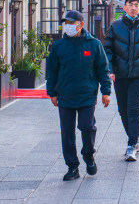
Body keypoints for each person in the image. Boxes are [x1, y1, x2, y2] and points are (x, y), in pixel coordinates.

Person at [46, 10, 112, 181]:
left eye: (71, 23)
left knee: (87, 127)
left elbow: (103, 70)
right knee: (67, 133)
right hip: (65, 96)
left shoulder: (94, 44)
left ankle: (88, 155)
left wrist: (106, 92)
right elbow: (51, 71)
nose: (67, 26)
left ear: (81, 25)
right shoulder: (59, 46)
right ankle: (72, 166)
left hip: (87, 95)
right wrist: (51, 92)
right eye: (65, 23)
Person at [103, 0, 139, 161]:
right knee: (123, 110)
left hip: (138, 76)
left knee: (134, 109)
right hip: (120, 75)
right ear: (125, 7)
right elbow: (107, 51)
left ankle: (131, 144)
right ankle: (135, 140)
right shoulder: (115, 27)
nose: (133, 7)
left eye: (136, 5)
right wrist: (110, 69)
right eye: (130, 5)